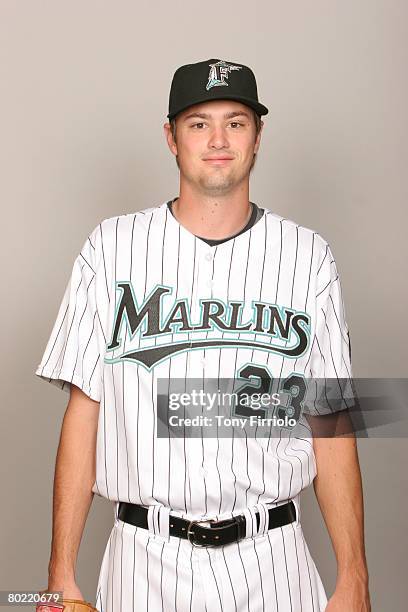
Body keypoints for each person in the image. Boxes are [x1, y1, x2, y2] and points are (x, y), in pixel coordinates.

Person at [35, 58, 371, 611]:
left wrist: (354, 574)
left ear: (258, 137)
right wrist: (60, 573)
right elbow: (84, 409)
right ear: (171, 137)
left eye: (236, 122)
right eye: (198, 123)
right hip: (144, 561)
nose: (218, 139)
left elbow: (330, 420)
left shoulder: (308, 257)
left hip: (273, 561)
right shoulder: (111, 248)